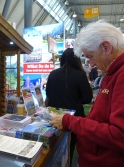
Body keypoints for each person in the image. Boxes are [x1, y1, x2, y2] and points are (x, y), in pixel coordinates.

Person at [49, 20, 124, 167]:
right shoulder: (111, 73)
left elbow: (119, 135)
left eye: (90, 56)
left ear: (106, 47)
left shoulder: (121, 75)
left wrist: (70, 121)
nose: (91, 64)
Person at [45, 48, 93, 166]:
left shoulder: (53, 74)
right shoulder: (80, 75)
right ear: (77, 60)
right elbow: (87, 98)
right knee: (69, 148)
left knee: (54, 147)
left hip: (54, 117)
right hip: (73, 119)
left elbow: (48, 94)